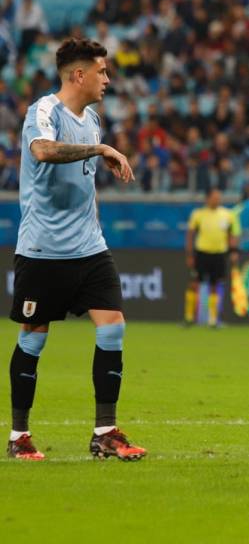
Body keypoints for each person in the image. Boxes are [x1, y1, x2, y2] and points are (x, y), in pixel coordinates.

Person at [6, 38, 145, 461]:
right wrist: (99, 149)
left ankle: (105, 433)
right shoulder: (44, 111)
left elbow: (85, 183)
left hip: (89, 247)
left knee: (113, 325)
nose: (108, 79)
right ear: (78, 75)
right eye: (101, 71)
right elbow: (43, 151)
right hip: (43, 248)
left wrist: (94, 221)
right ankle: (18, 436)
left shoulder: (94, 119)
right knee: (34, 336)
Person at [184, 187, 241, 327]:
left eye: (219, 197)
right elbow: (190, 235)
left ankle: (213, 319)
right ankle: (189, 317)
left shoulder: (227, 214)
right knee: (194, 284)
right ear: (207, 198)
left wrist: (233, 251)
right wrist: (190, 255)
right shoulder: (198, 214)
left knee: (215, 285)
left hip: (219, 254)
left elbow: (232, 234)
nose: (217, 200)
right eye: (214, 197)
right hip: (201, 253)